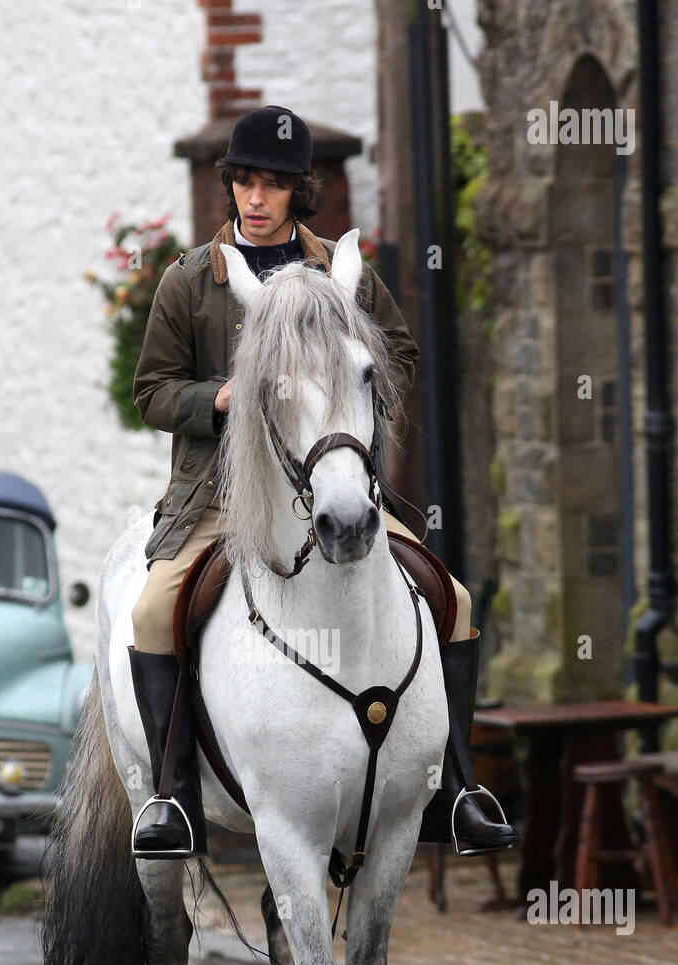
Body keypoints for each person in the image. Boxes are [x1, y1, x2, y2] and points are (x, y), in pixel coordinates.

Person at [129, 104, 517, 860]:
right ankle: (172, 800)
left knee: (456, 601)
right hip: (220, 495)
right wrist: (218, 398)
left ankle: (455, 788)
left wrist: (344, 392)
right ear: (231, 186)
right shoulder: (188, 283)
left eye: (273, 185)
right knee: (150, 614)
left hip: (334, 486)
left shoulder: (346, 279)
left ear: (298, 192)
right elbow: (150, 391)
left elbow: (396, 359)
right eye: (245, 182)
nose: (256, 198)